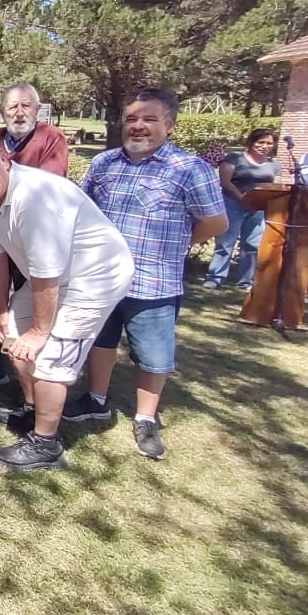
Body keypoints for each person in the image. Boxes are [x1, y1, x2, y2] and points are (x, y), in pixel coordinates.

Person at [67, 88, 228, 460]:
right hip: (103, 280)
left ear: (169, 125)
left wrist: (177, 245)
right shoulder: (104, 163)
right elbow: (82, 209)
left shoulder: (189, 169)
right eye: (132, 119)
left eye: (149, 119)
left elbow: (216, 222)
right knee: (101, 342)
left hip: (154, 281)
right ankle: (96, 398)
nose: (138, 126)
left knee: (152, 355)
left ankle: (145, 418)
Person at [0, 135, 134, 471]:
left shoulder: (36, 197)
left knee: (51, 354)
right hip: (53, 276)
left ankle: (46, 445)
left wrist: (40, 331)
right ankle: (32, 408)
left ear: (4, 160)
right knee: (13, 333)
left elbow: (46, 275)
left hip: (94, 277)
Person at [202, 128, 279, 290]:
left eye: (269, 143)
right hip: (232, 204)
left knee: (252, 245)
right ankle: (215, 278)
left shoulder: (274, 164)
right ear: (251, 142)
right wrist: (242, 198)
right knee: (225, 243)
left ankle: (245, 281)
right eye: (261, 142)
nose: (264, 146)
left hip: (257, 209)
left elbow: (274, 186)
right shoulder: (234, 158)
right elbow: (225, 182)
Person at [0, 82, 68, 177]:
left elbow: (50, 184)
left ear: (37, 109)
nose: (20, 113)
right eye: (12, 107)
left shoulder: (51, 137)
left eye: (26, 106)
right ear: (2, 113)